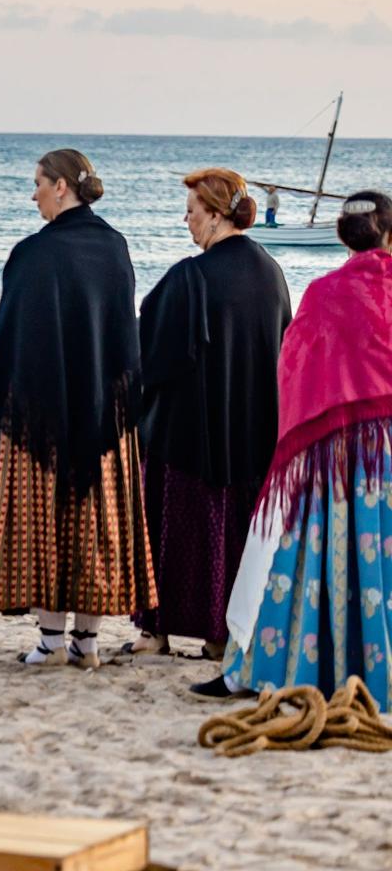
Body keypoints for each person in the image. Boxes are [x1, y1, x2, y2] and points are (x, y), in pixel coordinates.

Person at [196, 192, 392, 703]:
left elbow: (294, 365)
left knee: (303, 559)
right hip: (385, 454)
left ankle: (285, 665)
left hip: (330, 452)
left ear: (342, 236)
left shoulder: (325, 292)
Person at [0, 149, 153, 669]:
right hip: (105, 418)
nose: (33, 194)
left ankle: (52, 643)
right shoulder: (115, 248)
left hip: (42, 422)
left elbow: (13, 343)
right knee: (96, 525)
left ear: (60, 187)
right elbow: (125, 339)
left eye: (37, 183)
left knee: (46, 526)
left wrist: (8, 410)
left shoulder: (33, 254)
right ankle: (87, 643)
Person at [130, 169, 290, 660]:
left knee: (173, 535)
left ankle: (155, 633)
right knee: (234, 538)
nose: (186, 221)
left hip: (188, 436)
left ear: (217, 215)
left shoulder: (190, 277)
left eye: (192, 212)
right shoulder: (271, 273)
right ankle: (221, 636)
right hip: (252, 436)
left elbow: (150, 354)